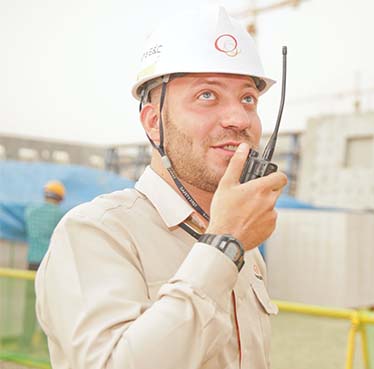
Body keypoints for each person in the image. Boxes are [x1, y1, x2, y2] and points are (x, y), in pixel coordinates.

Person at [35, 7, 287, 369]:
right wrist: (223, 247)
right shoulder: (95, 232)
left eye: (248, 98)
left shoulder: (244, 242)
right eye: (207, 96)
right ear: (154, 123)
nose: (238, 119)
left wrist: (229, 240)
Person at [24, 180, 66, 271]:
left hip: (32, 259)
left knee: (31, 285)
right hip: (50, 261)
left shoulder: (30, 211)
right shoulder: (60, 215)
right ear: (60, 198)